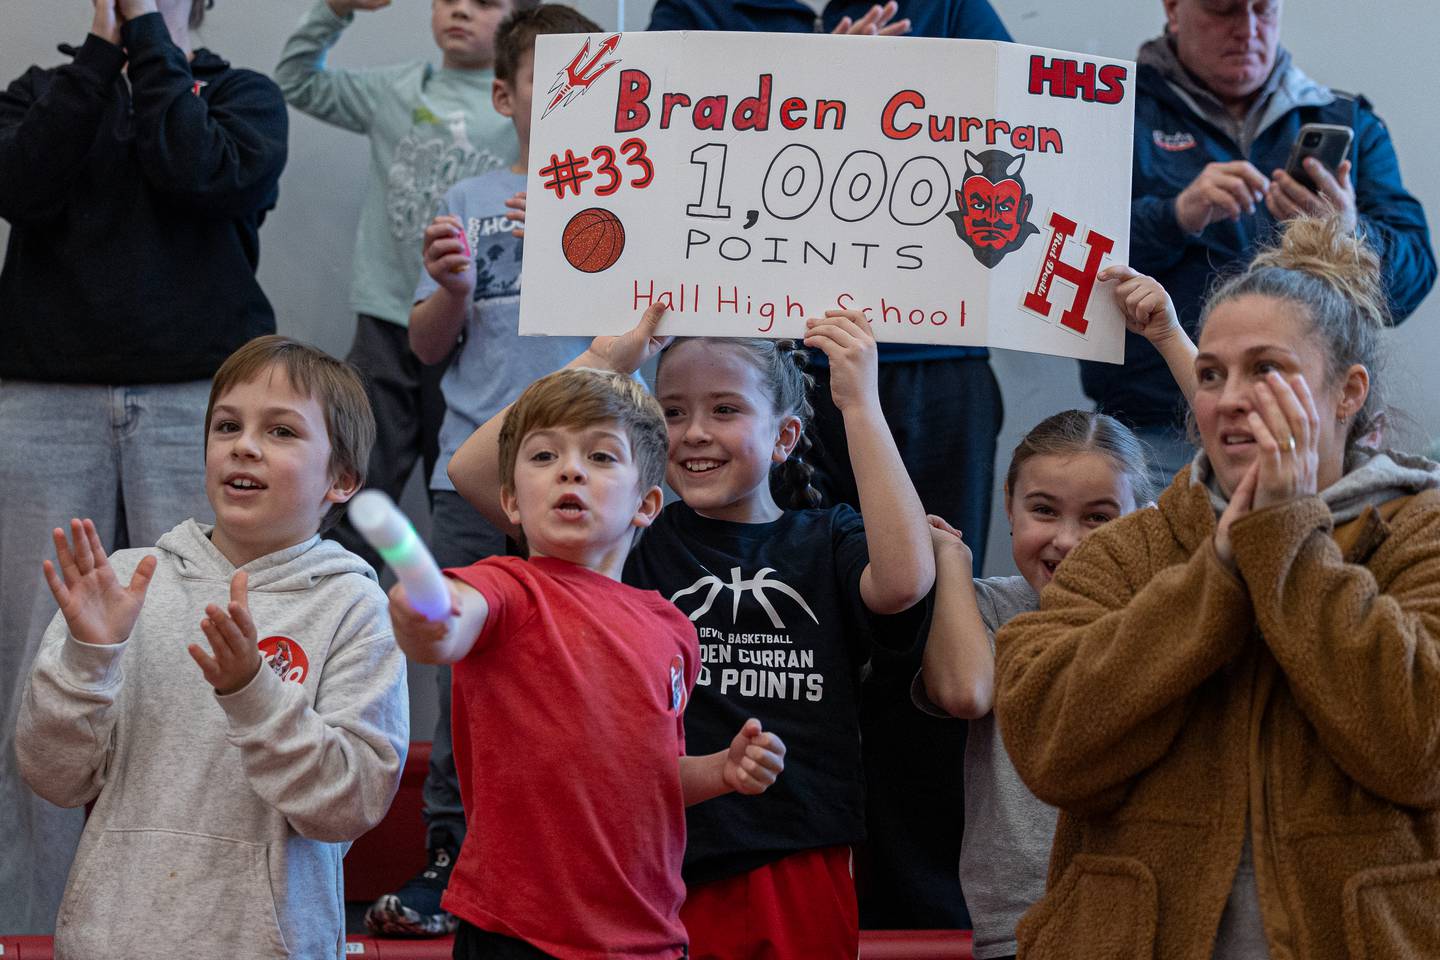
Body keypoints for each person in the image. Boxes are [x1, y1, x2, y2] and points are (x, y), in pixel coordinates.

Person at [644, 1, 1016, 929]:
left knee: (911, 618)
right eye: (675, 418)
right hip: (749, 348)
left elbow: (1016, 132)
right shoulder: (697, 5)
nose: (690, 431)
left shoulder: (947, 7)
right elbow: (663, 142)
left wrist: (883, 88)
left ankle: (912, 892)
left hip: (924, 359)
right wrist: (808, 84)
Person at [995, 215, 1440, 959]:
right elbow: (1047, 747)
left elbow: (1418, 751)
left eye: (1266, 369)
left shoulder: (1421, 534)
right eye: (1211, 375)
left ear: (1348, 392)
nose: (1231, 397)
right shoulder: (1131, 547)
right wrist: (1221, 572)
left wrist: (1286, 539)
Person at [449, 307, 935, 959]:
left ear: (785, 435)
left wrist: (860, 405)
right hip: (650, 864)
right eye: (673, 412)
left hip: (794, 853)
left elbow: (904, 583)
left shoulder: (826, 536)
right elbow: (474, 472)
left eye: (725, 410)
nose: (696, 432)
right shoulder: (628, 538)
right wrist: (606, 362)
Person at [0, 0, 287, 933]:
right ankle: (31, 929)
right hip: (44, 397)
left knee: (204, 649)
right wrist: (102, 55)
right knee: (36, 664)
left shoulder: (242, 96)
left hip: (198, 400)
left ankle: (198, 919)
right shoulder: (43, 91)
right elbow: (20, 183)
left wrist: (152, 43)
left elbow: (202, 175)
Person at [16, 336, 409, 959]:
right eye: (227, 426)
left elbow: (350, 802)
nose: (244, 445)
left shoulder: (355, 607)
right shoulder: (127, 582)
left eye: (281, 431)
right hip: (112, 941)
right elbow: (54, 777)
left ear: (341, 479)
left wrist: (255, 695)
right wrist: (88, 659)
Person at [389, 366, 785, 960]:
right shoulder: (504, 587)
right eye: (544, 455)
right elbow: (445, 628)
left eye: (600, 456)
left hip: (648, 936)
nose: (570, 470)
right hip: (516, 935)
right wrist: (425, 611)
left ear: (646, 503)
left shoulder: (673, 630)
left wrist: (722, 771)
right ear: (511, 500)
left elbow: (651, 775)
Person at [364, 4, 600, 937]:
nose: (573, 93)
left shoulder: (636, 199)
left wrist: (588, 231)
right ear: (506, 96)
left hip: (597, 484)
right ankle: (450, 856)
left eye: (593, 75)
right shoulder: (472, 197)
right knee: (465, 674)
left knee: (589, 671)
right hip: (475, 475)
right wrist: (456, 288)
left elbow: (656, 331)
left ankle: (574, 860)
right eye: (551, 75)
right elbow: (426, 347)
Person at [1083, 0, 1436, 480]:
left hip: (1310, 427)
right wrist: (1175, 216)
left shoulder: (1347, 121)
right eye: (1223, 10)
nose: (1248, 30)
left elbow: (1413, 282)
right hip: (1154, 432)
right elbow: (1060, 257)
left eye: (1263, 10)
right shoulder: (1110, 108)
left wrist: (1348, 233)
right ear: (1174, 9)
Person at [274, 0, 533, 574]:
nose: (460, 10)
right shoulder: (395, 89)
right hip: (387, 326)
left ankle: (456, 598)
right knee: (355, 488)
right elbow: (294, 79)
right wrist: (335, 9)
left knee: (464, 493)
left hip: (476, 339)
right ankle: (339, 596)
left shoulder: (522, 106)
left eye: (484, 3)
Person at [914, 408, 1156, 960]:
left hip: (1144, 918)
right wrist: (951, 560)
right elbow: (966, 692)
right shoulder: (985, 606)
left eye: (1099, 517)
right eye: (1044, 510)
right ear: (1009, 506)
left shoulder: (1165, 611)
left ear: (1144, 521)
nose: (1066, 540)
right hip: (1020, 924)